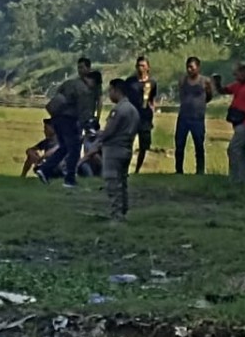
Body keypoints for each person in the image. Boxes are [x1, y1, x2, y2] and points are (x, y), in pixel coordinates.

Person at [86, 79, 140, 222]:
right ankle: (123, 211)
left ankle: (116, 216)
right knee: (122, 182)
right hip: (127, 149)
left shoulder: (119, 110)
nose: (109, 94)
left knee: (113, 183)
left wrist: (97, 137)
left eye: (110, 90)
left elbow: (109, 132)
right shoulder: (133, 110)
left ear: (117, 90)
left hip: (114, 150)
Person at [36, 69, 100, 188]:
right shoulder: (84, 91)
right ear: (94, 82)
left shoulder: (70, 82)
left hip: (56, 119)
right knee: (75, 150)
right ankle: (69, 179)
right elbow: (83, 112)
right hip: (69, 120)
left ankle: (45, 169)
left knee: (64, 147)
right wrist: (86, 127)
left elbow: (57, 94)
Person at [174, 56, 214, 175]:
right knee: (179, 145)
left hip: (197, 118)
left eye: (192, 67)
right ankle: (179, 170)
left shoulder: (205, 81)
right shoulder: (182, 81)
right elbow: (181, 94)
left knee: (199, 146)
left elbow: (209, 96)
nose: (189, 69)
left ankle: (200, 171)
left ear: (198, 67)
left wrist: (200, 104)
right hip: (183, 117)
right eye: (188, 67)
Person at [125, 56, 158, 173]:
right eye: (139, 66)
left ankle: (137, 170)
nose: (140, 68)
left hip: (145, 118)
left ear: (148, 67)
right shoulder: (130, 82)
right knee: (128, 144)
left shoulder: (152, 83)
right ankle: (125, 168)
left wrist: (153, 112)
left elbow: (152, 99)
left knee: (143, 146)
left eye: (143, 66)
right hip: (132, 117)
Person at [78, 57, 104, 123]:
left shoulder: (95, 83)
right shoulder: (76, 82)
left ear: (88, 68)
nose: (79, 70)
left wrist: (98, 117)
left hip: (89, 116)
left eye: (82, 67)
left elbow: (99, 100)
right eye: (78, 68)